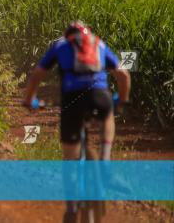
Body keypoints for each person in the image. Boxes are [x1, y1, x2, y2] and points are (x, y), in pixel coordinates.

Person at [23, 20, 130, 161]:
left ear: (67, 35)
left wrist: (29, 100)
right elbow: (124, 76)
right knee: (107, 114)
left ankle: (71, 174)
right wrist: (122, 100)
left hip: (72, 98)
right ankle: (105, 157)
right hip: (100, 94)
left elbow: (36, 76)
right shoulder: (98, 44)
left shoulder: (61, 45)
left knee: (70, 156)